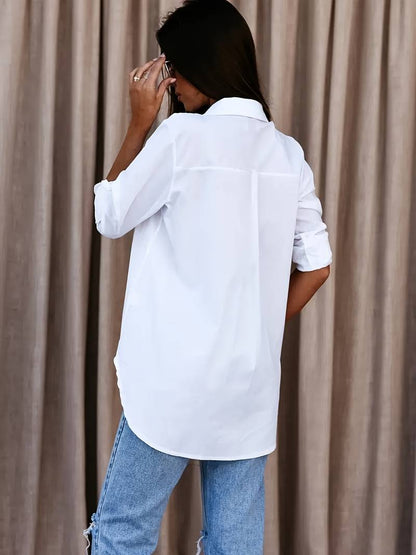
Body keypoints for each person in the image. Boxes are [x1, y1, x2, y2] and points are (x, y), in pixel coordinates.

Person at [83, 1, 333, 553]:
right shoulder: (287, 154)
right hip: (248, 382)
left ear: (202, 65)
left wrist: (139, 124)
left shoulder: (180, 138)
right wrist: (258, 323)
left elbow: (110, 216)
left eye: (172, 66)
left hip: (173, 382)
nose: (169, 81)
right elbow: (317, 266)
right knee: (233, 543)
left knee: (123, 532)